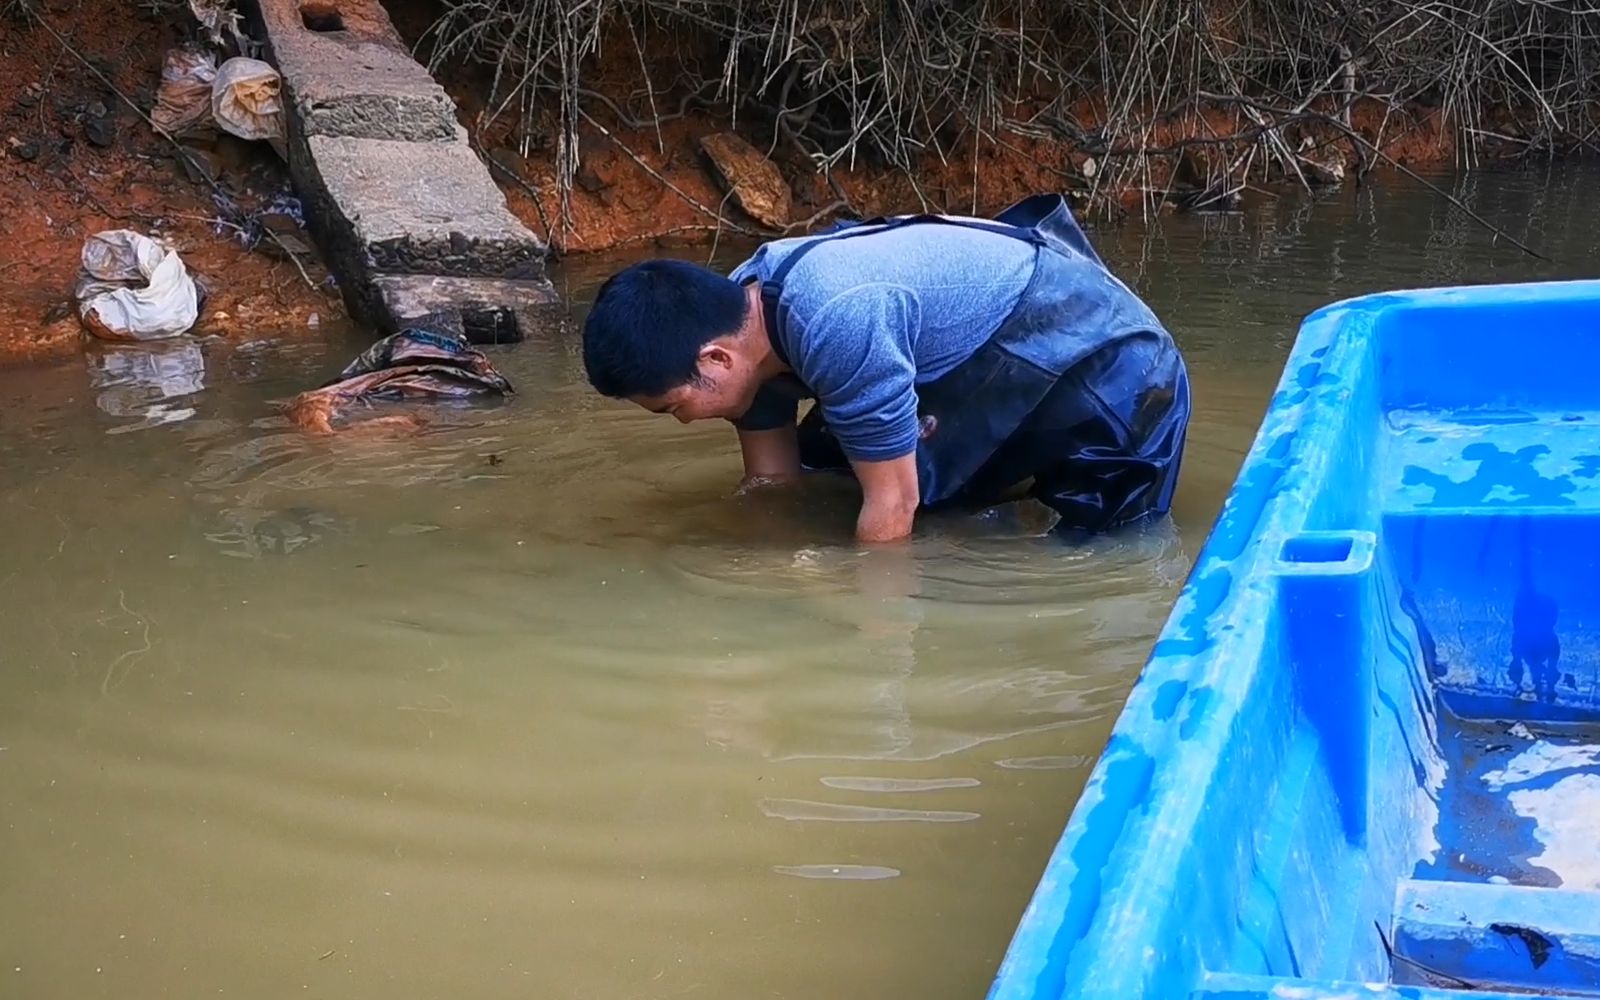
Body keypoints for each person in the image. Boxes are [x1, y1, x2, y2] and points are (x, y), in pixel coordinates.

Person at [580, 192, 1191, 544]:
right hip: (984, 345)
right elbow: (775, 484)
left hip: (1108, 359)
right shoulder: (740, 324)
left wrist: (863, 624)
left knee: (1104, 546)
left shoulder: (835, 319)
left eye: (673, 408)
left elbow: (893, 507)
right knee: (832, 469)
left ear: (715, 360)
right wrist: (755, 560)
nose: (683, 422)